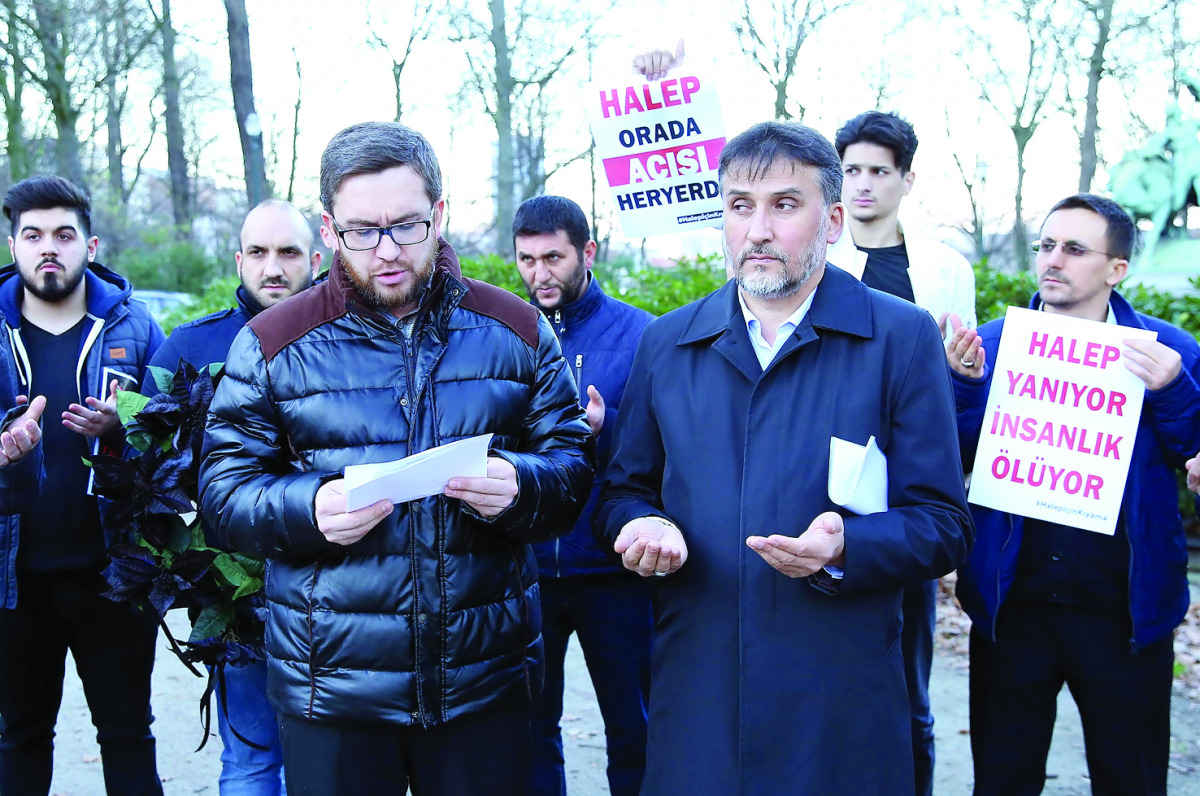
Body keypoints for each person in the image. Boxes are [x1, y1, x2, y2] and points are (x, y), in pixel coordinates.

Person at [198, 121, 594, 796]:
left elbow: (573, 469)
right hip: (333, 689)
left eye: (407, 226)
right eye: (361, 230)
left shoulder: (518, 331)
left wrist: (523, 487)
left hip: (482, 679)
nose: (386, 251)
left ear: (440, 214)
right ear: (329, 229)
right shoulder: (270, 343)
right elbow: (222, 496)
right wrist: (307, 508)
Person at [594, 121, 974, 794]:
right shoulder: (669, 343)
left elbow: (944, 522)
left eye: (784, 205)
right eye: (739, 205)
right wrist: (637, 525)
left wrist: (848, 544)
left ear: (831, 221)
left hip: (839, 701)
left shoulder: (900, 337)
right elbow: (624, 491)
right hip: (699, 693)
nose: (757, 230)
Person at [947, 193, 1200, 796]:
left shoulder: (1173, 352)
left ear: (1117, 268)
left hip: (1126, 615)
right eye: (1046, 246)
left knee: (1132, 779)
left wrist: (1172, 390)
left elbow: (1191, 455)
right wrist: (959, 387)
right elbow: (950, 457)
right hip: (1014, 609)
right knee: (1004, 779)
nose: (1053, 260)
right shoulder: (992, 343)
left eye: (1075, 249)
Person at [143, 199, 322, 796]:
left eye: (289, 253)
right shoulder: (188, 349)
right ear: (238, 259)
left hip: (339, 592)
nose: (274, 267)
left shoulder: (351, 341)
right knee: (248, 762)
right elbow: (147, 478)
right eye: (260, 253)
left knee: (334, 766)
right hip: (234, 597)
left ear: (316, 259)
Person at [0, 175, 165, 795]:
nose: (50, 247)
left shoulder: (137, 328)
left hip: (112, 575)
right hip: (11, 581)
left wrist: (125, 430)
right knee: (18, 738)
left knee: (127, 736)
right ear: (13, 244)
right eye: (33, 235)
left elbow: (171, 447)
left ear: (89, 246)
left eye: (64, 235)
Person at [829, 109, 978, 796]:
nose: (862, 185)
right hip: (820, 488)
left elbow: (949, 404)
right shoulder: (816, 257)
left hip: (904, 503)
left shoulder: (946, 269)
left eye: (877, 172)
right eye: (851, 169)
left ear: (906, 179)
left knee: (908, 679)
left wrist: (956, 372)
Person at [512, 195, 653, 796]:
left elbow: (667, 441)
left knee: (636, 728)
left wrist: (606, 427)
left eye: (553, 257)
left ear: (586, 253)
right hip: (531, 568)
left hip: (615, 569)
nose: (539, 274)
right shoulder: (507, 332)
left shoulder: (644, 333)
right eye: (526, 260)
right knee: (531, 730)